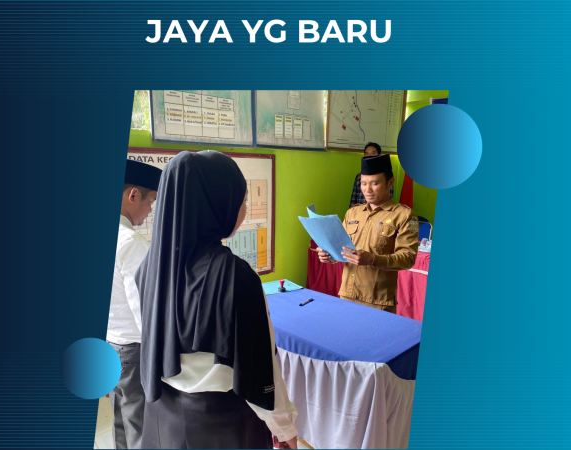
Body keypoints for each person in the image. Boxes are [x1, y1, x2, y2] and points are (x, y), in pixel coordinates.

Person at [136, 151, 298, 449]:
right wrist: (284, 428)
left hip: (163, 416)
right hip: (224, 424)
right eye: (242, 200)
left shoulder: (149, 268)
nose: (244, 209)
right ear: (217, 204)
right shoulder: (236, 276)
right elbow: (260, 366)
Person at [107, 159, 162, 449]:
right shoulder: (132, 243)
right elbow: (146, 313)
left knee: (120, 423)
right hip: (134, 352)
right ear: (133, 195)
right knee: (141, 429)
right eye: (150, 201)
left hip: (110, 345)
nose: (150, 210)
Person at [319, 154, 419, 313]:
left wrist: (373, 259)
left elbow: (408, 258)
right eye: (363, 183)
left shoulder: (404, 215)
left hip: (378, 301)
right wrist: (329, 254)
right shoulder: (353, 213)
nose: (368, 190)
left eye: (375, 183)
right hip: (347, 295)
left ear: (390, 182)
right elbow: (341, 247)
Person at [350, 142, 394, 208]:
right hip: (362, 211)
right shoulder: (359, 176)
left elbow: (389, 196)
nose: (369, 156)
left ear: (379, 154)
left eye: (373, 153)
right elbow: (354, 197)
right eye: (367, 154)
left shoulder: (385, 175)